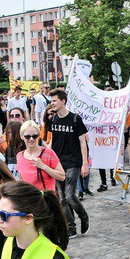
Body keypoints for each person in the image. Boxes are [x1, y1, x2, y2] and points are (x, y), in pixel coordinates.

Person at [48, 88, 90, 237]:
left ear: (63, 101)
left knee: (69, 195)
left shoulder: (75, 119)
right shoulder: (53, 119)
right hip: (57, 163)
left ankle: (83, 216)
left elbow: (82, 142)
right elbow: (52, 141)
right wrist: (47, 156)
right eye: (51, 100)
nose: (51, 103)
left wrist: (85, 163)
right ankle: (71, 228)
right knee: (61, 198)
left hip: (73, 161)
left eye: (54, 101)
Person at [16, 120, 65, 191]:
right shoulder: (19, 156)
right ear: (22, 137)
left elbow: (62, 176)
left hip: (46, 199)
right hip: (28, 199)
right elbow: (21, 180)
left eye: (34, 136)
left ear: (39, 136)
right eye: (27, 136)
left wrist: (43, 166)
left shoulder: (48, 153)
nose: (31, 139)